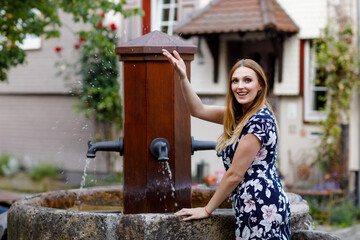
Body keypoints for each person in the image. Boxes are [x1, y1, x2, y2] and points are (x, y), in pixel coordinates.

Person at [162, 49, 291, 239]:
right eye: (235, 81)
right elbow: (198, 109)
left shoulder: (259, 120)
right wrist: (183, 77)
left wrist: (207, 209)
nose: (240, 86)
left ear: (260, 86)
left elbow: (234, 175)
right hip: (253, 204)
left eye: (248, 80)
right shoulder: (241, 116)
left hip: (261, 207)